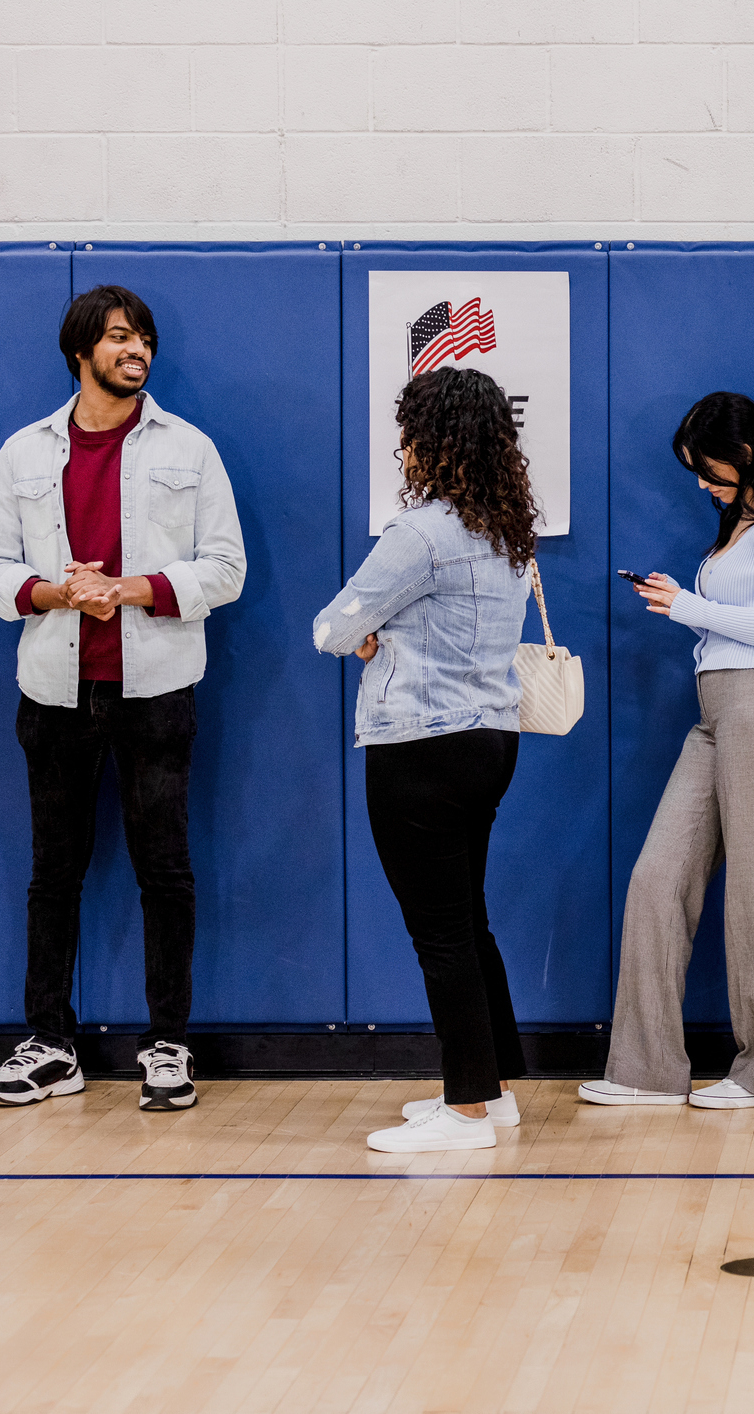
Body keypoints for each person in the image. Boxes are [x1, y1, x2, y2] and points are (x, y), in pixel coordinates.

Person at [0, 285, 246, 1112]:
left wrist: (128, 589)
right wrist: (56, 595)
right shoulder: (23, 453)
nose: (139, 352)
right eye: (121, 339)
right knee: (54, 872)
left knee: (165, 870)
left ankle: (167, 1046)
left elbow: (226, 568)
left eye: (145, 340)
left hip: (155, 690)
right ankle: (51, 1045)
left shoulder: (190, 449)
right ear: (80, 352)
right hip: (53, 691)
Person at [580, 392, 754, 1111]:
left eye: (707, 468)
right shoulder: (744, 520)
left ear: (745, 455)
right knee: (657, 876)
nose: (701, 483)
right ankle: (645, 1070)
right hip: (721, 707)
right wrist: (689, 609)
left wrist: (686, 606)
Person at [313, 367, 539, 1153]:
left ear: (432, 443)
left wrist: (369, 634)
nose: (403, 450)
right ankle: (494, 1088)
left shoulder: (420, 535)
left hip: (418, 745)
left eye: (409, 434)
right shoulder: (506, 531)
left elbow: (333, 628)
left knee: (439, 931)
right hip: (490, 740)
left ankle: (467, 1110)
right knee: (467, 921)